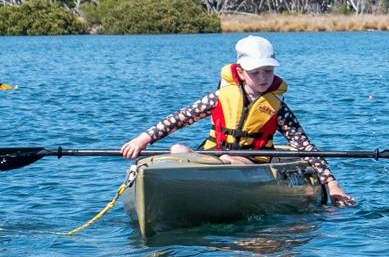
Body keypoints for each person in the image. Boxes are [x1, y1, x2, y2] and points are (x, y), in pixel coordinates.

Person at [120, 36, 355, 205]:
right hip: (212, 157)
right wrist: (143, 139)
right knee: (177, 148)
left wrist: (331, 184)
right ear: (240, 72)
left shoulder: (278, 108)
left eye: (268, 71)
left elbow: (305, 147)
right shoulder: (219, 97)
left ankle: (208, 184)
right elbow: (179, 119)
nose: (263, 78)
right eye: (255, 73)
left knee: (234, 159)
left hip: (251, 164)